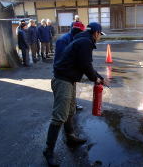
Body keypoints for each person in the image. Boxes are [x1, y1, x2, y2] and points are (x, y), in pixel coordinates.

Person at [43, 22, 107, 167]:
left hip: (69, 80)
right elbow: (86, 65)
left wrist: (99, 77)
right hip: (63, 80)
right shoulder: (85, 42)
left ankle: (70, 136)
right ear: (96, 33)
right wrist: (96, 78)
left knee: (70, 110)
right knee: (59, 116)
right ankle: (48, 151)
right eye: (99, 35)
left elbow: (85, 65)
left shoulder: (82, 40)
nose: (99, 38)